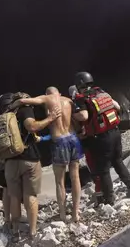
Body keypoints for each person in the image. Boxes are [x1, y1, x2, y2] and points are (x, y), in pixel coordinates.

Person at [16, 87, 83, 222]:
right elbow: (77, 120)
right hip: (73, 139)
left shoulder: (47, 98)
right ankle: (76, 214)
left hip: (59, 141)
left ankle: (63, 215)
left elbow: (24, 100)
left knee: (60, 182)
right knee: (75, 177)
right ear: (59, 93)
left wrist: (15, 103)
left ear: (47, 94)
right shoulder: (68, 101)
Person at [0, 92, 56, 241]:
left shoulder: (5, 115)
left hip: (10, 161)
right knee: (30, 195)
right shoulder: (25, 110)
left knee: (14, 196)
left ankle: (15, 231)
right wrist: (50, 119)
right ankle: (32, 232)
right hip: (29, 158)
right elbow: (31, 126)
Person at [73, 72, 130, 205]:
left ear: (79, 85)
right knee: (118, 162)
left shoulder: (82, 98)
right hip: (115, 132)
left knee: (103, 170)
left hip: (102, 138)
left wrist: (73, 115)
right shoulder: (101, 92)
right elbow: (117, 106)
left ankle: (109, 199)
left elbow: (84, 116)